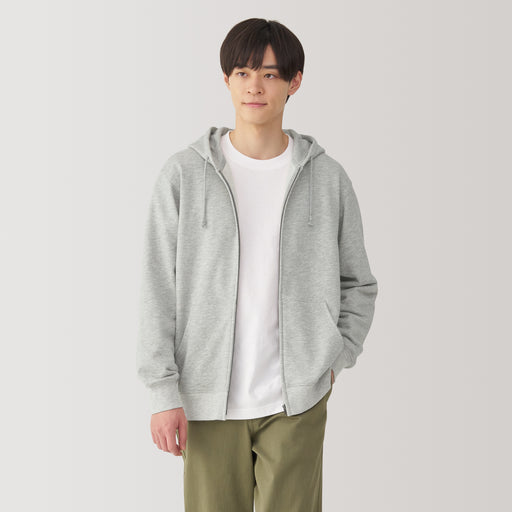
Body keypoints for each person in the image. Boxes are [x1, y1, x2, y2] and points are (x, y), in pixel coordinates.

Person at [136, 17, 378, 512]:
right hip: (205, 401)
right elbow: (158, 287)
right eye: (243, 73)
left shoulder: (327, 178)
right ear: (226, 79)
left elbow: (358, 282)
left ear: (294, 82)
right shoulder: (184, 174)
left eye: (269, 74)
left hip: (297, 401)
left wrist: (332, 360)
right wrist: (163, 392)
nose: (255, 86)